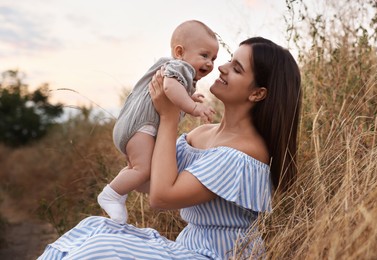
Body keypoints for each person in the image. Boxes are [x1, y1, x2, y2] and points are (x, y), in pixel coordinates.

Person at [39, 36, 301, 259]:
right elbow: (149, 182)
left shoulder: (246, 152)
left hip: (216, 255)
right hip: (186, 248)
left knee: (100, 249)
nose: (221, 67)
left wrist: (168, 117)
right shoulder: (201, 133)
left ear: (257, 93)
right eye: (229, 60)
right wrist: (141, 126)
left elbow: (161, 198)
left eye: (237, 68)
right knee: (94, 228)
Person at [97, 20, 219, 224]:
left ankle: (119, 192)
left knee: (138, 169)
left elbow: (173, 96)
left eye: (214, 58)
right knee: (142, 169)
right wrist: (194, 107)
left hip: (135, 127)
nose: (210, 63)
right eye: (204, 55)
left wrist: (188, 100)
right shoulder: (180, 67)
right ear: (180, 52)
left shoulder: (180, 72)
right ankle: (111, 194)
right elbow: (170, 88)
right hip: (141, 127)